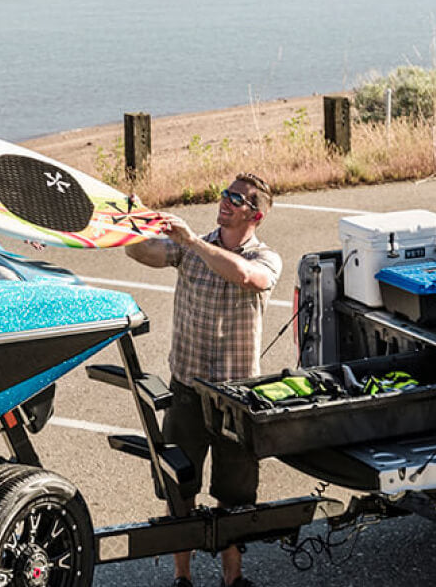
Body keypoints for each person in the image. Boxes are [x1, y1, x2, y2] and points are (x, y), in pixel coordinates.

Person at [125, 173, 281, 587]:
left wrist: (193, 242)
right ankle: (182, 578)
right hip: (188, 391)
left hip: (236, 397)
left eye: (238, 198)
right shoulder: (190, 247)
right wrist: (127, 224)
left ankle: (233, 580)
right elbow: (145, 254)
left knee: (234, 497)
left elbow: (248, 277)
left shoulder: (265, 257)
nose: (225, 201)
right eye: (225, 194)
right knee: (179, 490)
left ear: (256, 215)